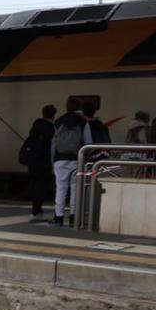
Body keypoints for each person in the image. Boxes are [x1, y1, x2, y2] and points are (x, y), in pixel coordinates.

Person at [51, 96, 92, 225]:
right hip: (76, 159)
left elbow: (53, 144)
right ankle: (74, 217)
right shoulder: (83, 121)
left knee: (61, 188)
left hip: (60, 159)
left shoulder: (58, 121)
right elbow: (88, 142)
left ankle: (58, 218)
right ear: (79, 108)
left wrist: (52, 161)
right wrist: (87, 158)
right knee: (75, 189)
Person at [19, 104, 56, 222]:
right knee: (41, 187)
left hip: (32, 161)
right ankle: (37, 212)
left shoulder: (35, 126)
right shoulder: (52, 128)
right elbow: (52, 146)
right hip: (44, 162)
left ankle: (35, 211)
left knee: (35, 186)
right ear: (53, 115)